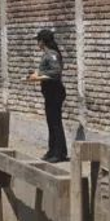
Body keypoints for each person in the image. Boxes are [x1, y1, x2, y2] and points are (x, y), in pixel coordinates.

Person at [27, 29, 68, 163]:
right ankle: (52, 151)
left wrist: (39, 75)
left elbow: (56, 71)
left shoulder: (51, 54)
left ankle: (59, 153)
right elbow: (48, 70)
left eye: (38, 41)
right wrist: (36, 73)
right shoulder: (47, 54)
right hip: (50, 92)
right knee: (51, 122)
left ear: (42, 41)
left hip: (55, 92)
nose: (37, 44)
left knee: (55, 123)